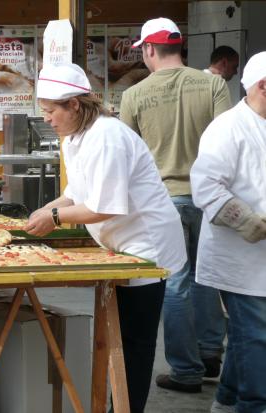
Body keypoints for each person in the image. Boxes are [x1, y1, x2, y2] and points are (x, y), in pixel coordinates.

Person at [25, 63, 186, 413]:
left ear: (75, 106)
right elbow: (74, 195)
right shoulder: (75, 139)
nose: (48, 120)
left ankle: (127, 408)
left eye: (51, 112)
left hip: (147, 246)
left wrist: (52, 218)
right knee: (115, 335)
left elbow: (105, 207)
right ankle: (115, 404)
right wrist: (35, 215)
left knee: (134, 342)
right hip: (119, 246)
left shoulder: (107, 136)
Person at [119, 17, 232, 393]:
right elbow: (225, 145)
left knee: (175, 284)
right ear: (178, 46)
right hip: (209, 197)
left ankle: (186, 370)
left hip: (161, 201)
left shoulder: (133, 96)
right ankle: (210, 353)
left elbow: (127, 157)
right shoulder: (214, 85)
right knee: (208, 278)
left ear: (149, 49)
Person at [191, 51, 266, 413]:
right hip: (237, 256)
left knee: (245, 334)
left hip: (261, 258)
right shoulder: (228, 127)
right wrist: (248, 221)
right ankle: (254, 404)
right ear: (263, 87)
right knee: (257, 336)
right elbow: (205, 186)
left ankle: (227, 401)